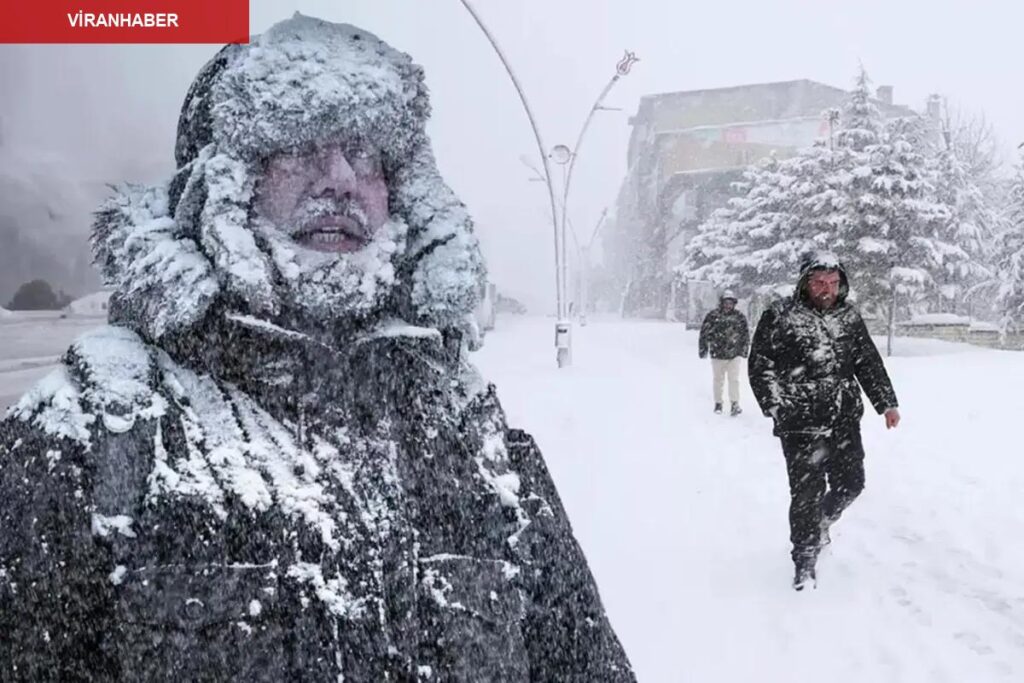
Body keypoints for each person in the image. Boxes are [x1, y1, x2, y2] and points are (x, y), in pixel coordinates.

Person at [0, 16, 634, 681]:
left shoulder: (471, 431)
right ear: (226, 182)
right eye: (298, 145)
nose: (340, 178)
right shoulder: (93, 434)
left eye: (366, 154)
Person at [748, 252, 900, 591]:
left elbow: (868, 362)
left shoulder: (848, 316)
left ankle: (822, 523)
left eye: (833, 283)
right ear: (805, 282)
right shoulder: (781, 315)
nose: (827, 289)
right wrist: (776, 406)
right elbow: (761, 365)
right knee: (806, 494)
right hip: (800, 423)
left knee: (852, 483)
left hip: (844, 418)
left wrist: (886, 402)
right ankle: (804, 560)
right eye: (819, 283)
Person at [698, 290, 749, 416]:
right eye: (726, 302)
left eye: (730, 303)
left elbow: (745, 335)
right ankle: (718, 403)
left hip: (734, 354)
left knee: (734, 380)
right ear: (722, 303)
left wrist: (744, 350)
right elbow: (704, 333)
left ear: (734, 303)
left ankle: (735, 403)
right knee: (718, 380)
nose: (728, 305)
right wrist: (703, 349)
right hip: (718, 354)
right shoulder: (713, 316)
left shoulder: (739, 317)